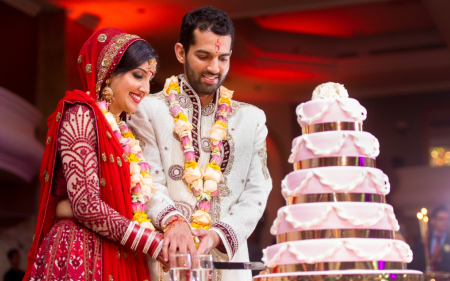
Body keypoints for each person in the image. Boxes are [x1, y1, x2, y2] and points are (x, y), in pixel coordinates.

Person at [127, 6, 272, 281]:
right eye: (204, 56)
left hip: (229, 267)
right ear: (181, 52)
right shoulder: (147, 109)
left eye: (223, 58)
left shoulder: (251, 119)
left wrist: (219, 234)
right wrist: (174, 220)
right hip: (168, 261)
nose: (214, 68)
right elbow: (146, 179)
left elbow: (257, 190)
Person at [23, 27, 170, 281]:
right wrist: (152, 242)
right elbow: (85, 205)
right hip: (82, 253)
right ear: (109, 72)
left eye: (149, 79)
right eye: (138, 75)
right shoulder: (81, 114)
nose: (145, 88)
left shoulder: (123, 132)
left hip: (120, 250)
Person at [410, 205, 450, 272]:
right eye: (441, 219)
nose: (445, 222)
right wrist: (431, 260)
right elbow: (414, 265)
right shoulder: (422, 239)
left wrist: (440, 259)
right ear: (433, 220)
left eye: (448, 219)